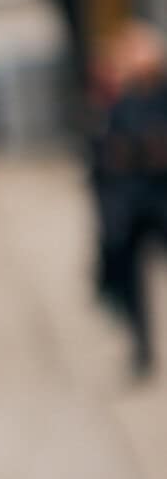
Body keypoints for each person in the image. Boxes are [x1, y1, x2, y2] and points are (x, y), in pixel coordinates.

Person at [89, 20, 167, 380]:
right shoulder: (119, 100)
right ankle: (141, 349)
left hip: (159, 197)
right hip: (130, 202)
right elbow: (106, 153)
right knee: (130, 279)